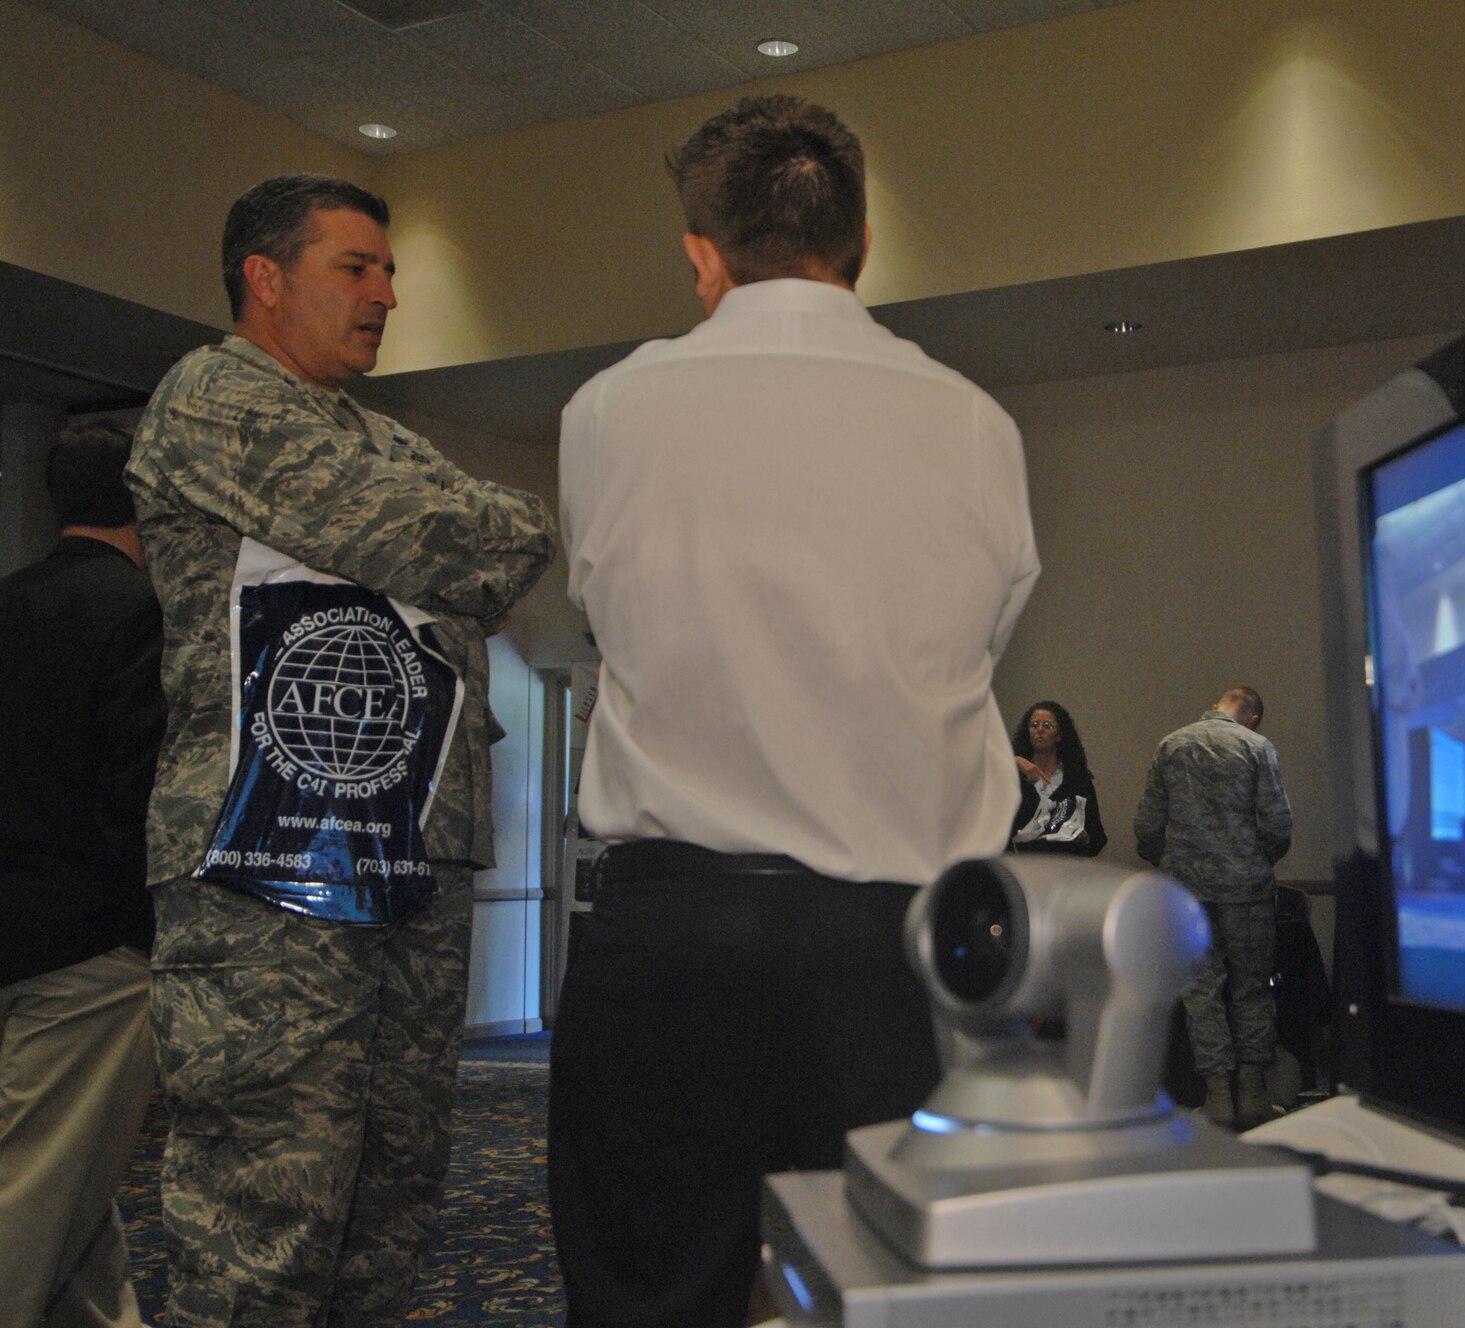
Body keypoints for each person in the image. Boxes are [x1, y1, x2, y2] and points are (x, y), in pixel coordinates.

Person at [553, 94, 1039, 1327]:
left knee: (649, 1297)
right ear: (861, 241)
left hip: (668, 942)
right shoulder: (978, 423)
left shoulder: (608, 409)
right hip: (899, 952)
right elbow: (969, 655)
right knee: (895, 1301)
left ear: (700, 258)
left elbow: (611, 623)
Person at [125, 174, 556, 1328]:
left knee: (387, 1209)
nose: (386, 293)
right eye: (355, 268)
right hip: (266, 866)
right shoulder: (216, 397)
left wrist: (461, 549)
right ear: (267, 279)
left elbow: (514, 537)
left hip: (407, 854)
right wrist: (446, 554)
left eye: (388, 270)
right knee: (265, 1214)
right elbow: (429, 535)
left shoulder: (375, 432)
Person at [0, 421, 165, 1328]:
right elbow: (137, 792)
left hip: (11, 930)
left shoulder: (10, 600)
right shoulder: (139, 611)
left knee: (70, 1185)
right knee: (37, 1191)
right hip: (90, 946)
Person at [1133, 687, 1292, 1128]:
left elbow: (1147, 824)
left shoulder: (1172, 744)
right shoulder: (1258, 747)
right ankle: (1254, 1094)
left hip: (1188, 892)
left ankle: (1218, 1097)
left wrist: (1169, 861)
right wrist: (1258, 860)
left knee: (1201, 992)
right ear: (1253, 717)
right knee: (1252, 988)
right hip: (1247, 890)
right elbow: (1277, 823)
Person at [1009, 700, 1108, 855]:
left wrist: (1084, 838)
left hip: (1066, 867)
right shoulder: (1015, 776)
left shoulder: (1077, 780)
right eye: (1034, 725)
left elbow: (1098, 837)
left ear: (1059, 735)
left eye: (1047, 725)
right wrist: (1011, 761)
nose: (1040, 730)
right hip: (1024, 866)